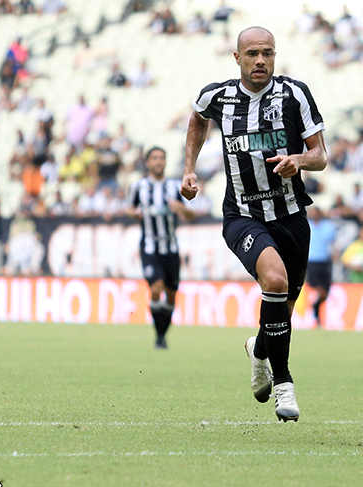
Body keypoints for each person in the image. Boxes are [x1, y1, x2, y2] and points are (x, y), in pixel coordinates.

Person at [181, 27, 327, 422]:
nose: (260, 60)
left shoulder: (295, 94)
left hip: (292, 216)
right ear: (237, 57)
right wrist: (189, 169)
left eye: (267, 53)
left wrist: (299, 160)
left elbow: (321, 155)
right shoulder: (219, 96)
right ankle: (284, 385)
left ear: (275, 56)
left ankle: (258, 350)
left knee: (284, 307)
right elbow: (197, 119)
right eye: (252, 54)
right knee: (275, 282)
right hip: (243, 216)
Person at [128, 146, 196, 349]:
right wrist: (136, 213)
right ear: (147, 163)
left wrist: (181, 208)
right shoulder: (138, 187)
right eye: (155, 158)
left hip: (171, 247)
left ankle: (162, 334)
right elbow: (129, 209)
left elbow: (192, 215)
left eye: (162, 158)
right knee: (156, 289)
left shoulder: (175, 186)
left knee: (172, 294)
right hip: (149, 247)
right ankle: (159, 335)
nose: (158, 162)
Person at [306, 206, 337, 327]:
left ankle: (316, 307)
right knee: (318, 288)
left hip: (325, 261)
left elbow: (333, 242)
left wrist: (335, 253)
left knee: (326, 292)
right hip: (312, 261)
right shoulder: (307, 225)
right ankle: (316, 314)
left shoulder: (328, 227)